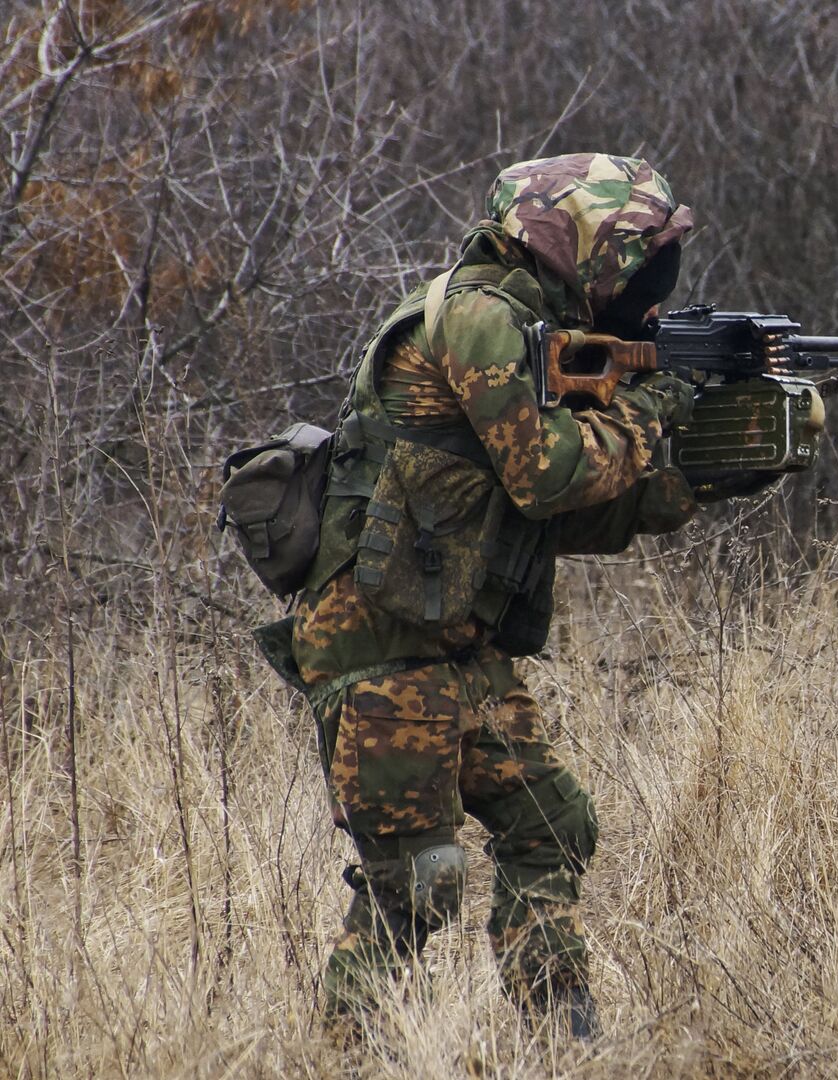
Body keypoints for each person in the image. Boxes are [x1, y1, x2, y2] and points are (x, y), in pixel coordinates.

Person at [285, 152, 725, 1039]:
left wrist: (701, 476)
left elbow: (556, 523)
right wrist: (656, 410)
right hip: (376, 640)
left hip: (447, 639)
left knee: (553, 823)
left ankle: (559, 1031)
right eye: (635, 264)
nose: (648, 291)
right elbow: (551, 476)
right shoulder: (482, 318)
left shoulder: (533, 328)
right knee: (416, 880)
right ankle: (343, 1054)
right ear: (581, 245)